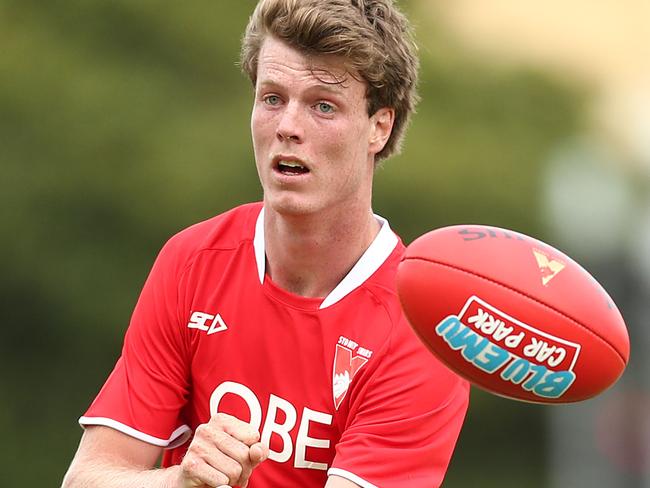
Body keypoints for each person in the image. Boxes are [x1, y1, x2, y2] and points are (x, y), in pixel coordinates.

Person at [61, 0, 469, 487]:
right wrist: (180, 483)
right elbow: (86, 478)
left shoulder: (420, 329)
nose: (288, 127)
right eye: (272, 97)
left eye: (323, 105)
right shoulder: (192, 261)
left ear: (379, 127)